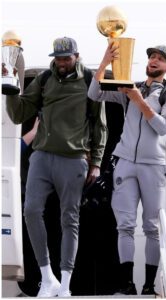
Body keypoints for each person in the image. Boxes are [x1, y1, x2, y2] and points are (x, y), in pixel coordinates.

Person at [5, 37, 108, 297]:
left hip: (74, 158)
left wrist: (96, 162)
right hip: (41, 156)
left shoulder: (88, 80)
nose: (61, 62)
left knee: (69, 219)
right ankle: (47, 276)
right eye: (58, 58)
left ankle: (65, 283)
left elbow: (100, 124)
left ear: (76, 55)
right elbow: (18, 114)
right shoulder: (43, 80)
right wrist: (11, 89)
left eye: (66, 57)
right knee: (30, 211)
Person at [88, 43, 166, 295]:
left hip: (154, 165)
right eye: (151, 56)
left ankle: (149, 286)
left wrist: (138, 100)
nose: (153, 60)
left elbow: (164, 128)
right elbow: (94, 94)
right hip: (126, 162)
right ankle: (127, 284)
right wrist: (105, 61)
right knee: (125, 225)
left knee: (151, 227)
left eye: (160, 58)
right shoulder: (131, 87)